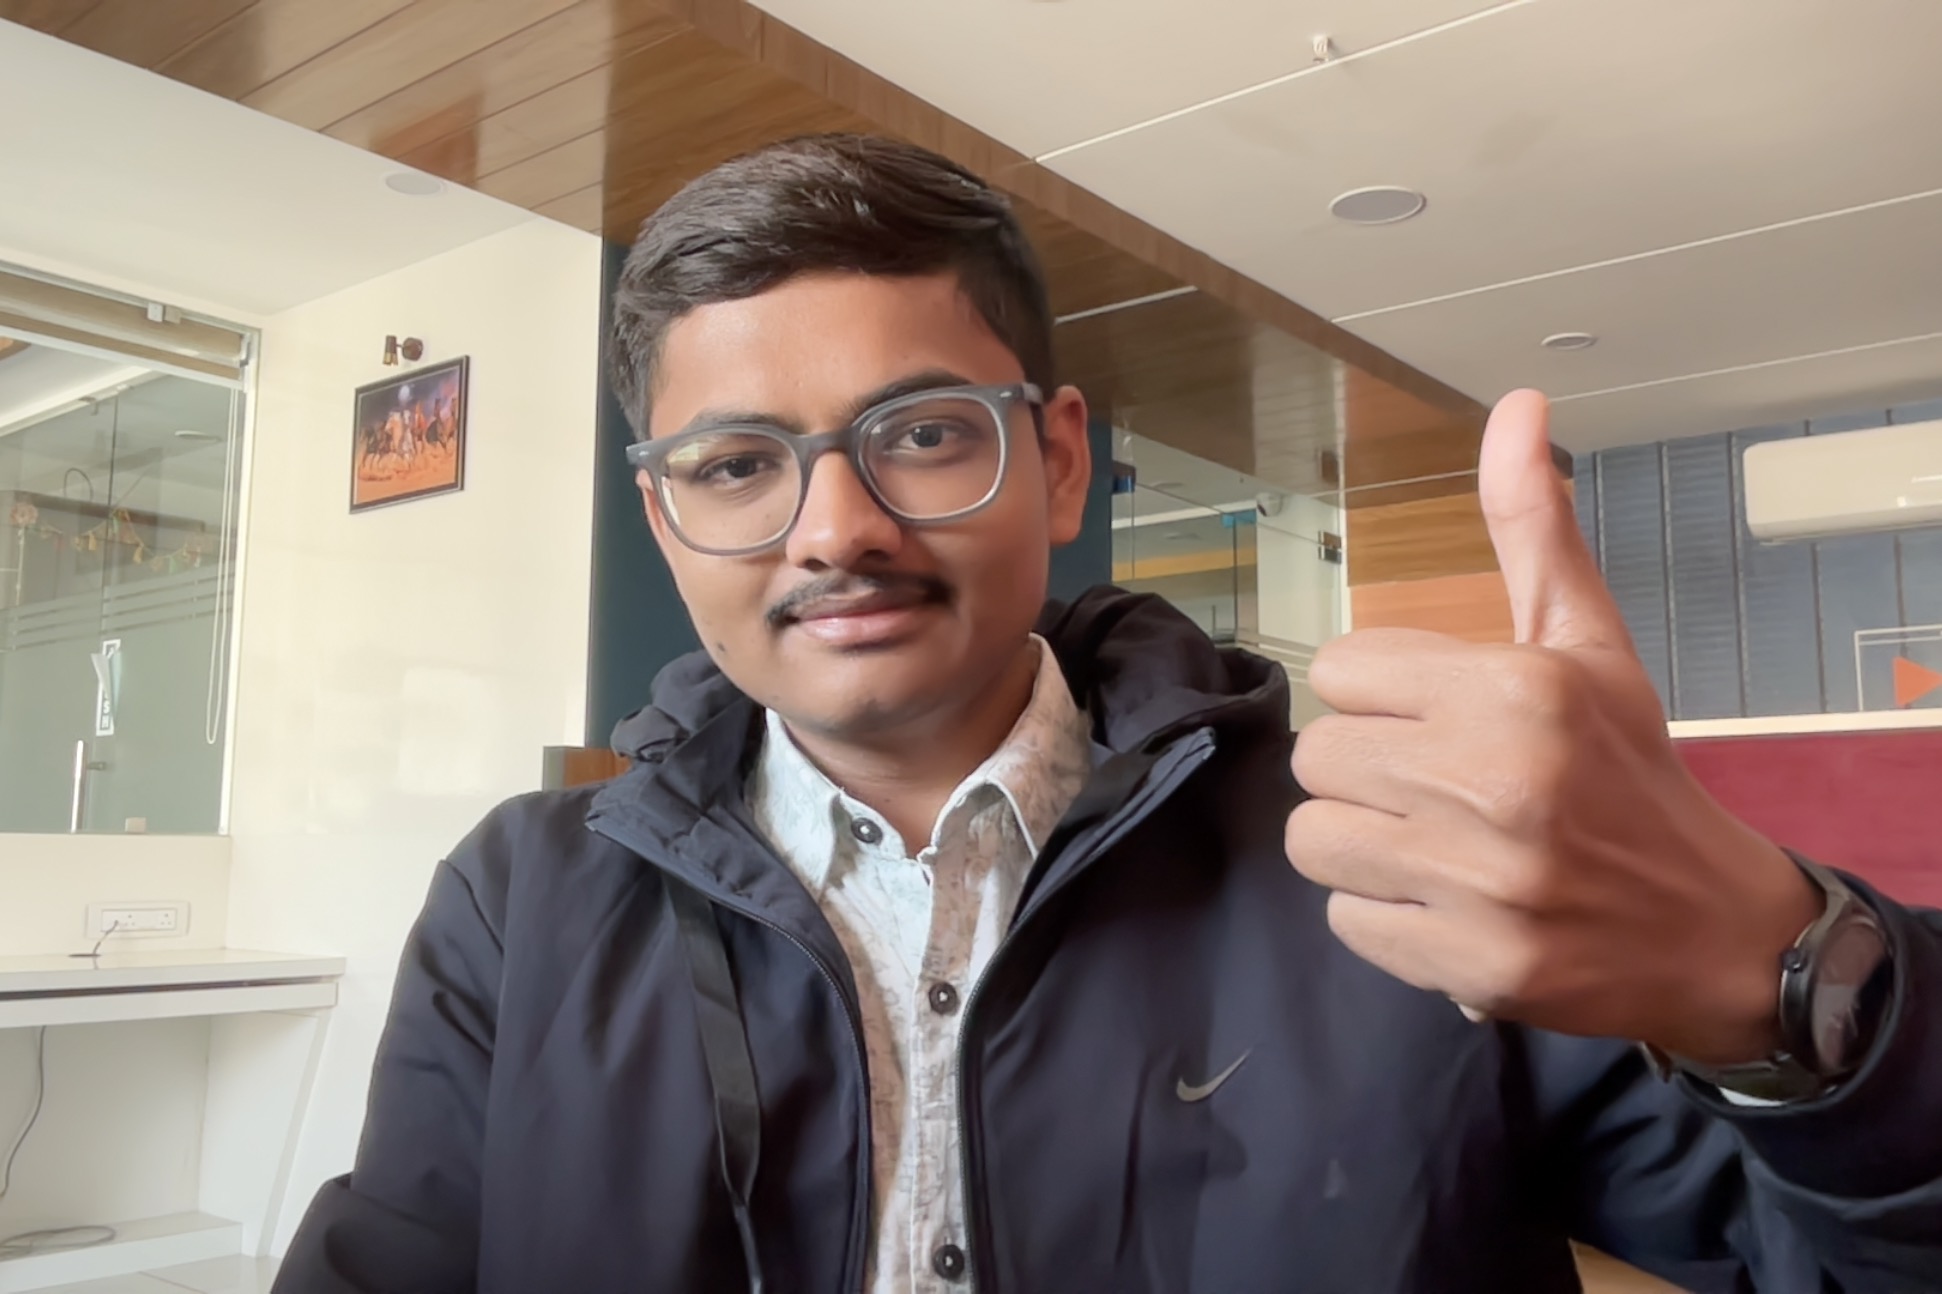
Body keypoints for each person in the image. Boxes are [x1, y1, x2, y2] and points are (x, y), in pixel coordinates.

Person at [276, 134, 1942, 1294]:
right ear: (663, 518)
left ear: (1058, 460)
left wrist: (1794, 981)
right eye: (733, 464)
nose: (832, 527)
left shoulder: (1387, 861)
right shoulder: (522, 901)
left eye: (922, 433)